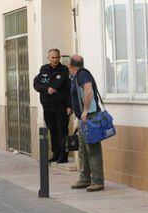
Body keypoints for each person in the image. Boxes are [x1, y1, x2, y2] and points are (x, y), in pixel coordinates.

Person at [69, 55, 104, 192]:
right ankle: (84, 179)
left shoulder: (83, 74)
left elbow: (88, 89)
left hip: (90, 117)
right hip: (84, 118)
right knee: (83, 149)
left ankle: (97, 181)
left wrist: (85, 111)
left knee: (93, 149)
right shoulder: (78, 76)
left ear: (69, 66)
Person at [33, 49, 72, 163]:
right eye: (53, 58)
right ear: (48, 58)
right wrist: (46, 89)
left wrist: (69, 106)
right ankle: (56, 153)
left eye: (57, 57)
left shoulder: (64, 70)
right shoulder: (43, 70)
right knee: (53, 131)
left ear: (59, 58)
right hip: (48, 107)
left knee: (62, 131)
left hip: (61, 106)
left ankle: (63, 155)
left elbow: (69, 89)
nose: (55, 60)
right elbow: (36, 84)